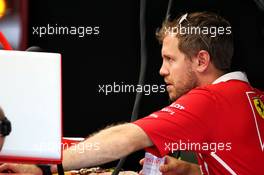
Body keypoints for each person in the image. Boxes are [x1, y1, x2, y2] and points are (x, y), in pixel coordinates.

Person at [1, 11, 263, 175]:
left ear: (201, 61)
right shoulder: (252, 96)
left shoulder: (211, 100)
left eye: (170, 59)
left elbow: (127, 137)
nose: (161, 70)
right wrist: (192, 170)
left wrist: (43, 169)